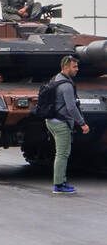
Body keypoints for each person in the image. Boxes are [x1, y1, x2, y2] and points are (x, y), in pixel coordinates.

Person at [43, 55, 89, 194]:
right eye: (74, 67)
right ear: (65, 67)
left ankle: (62, 181)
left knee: (62, 152)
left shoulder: (56, 78)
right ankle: (59, 185)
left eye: (77, 66)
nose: (77, 69)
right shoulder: (66, 85)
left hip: (51, 120)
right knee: (62, 154)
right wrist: (82, 123)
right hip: (61, 123)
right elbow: (71, 107)